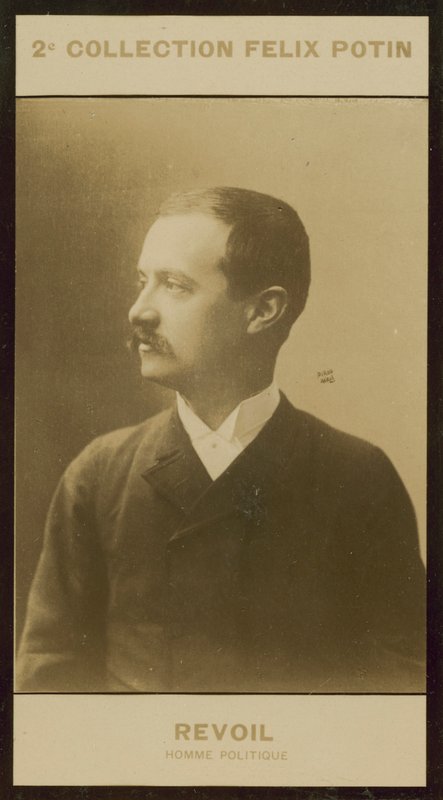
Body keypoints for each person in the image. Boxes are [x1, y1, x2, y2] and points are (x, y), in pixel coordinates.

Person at [17, 187, 425, 693]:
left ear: (262, 310)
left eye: (174, 285)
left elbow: (403, 682)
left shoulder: (357, 478)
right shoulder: (99, 475)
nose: (139, 311)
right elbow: (49, 678)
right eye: (143, 282)